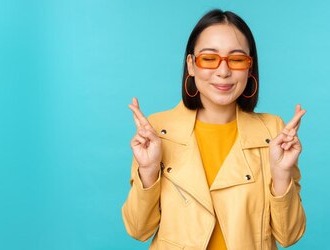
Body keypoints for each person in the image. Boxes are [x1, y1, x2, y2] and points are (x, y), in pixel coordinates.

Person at [122, 9, 306, 250]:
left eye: (237, 59)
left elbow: (289, 236)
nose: (223, 71)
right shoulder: (157, 131)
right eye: (209, 58)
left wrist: (281, 175)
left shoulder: (273, 132)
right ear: (191, 65)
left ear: (250, 68)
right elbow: (138, 229)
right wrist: (148, 172)